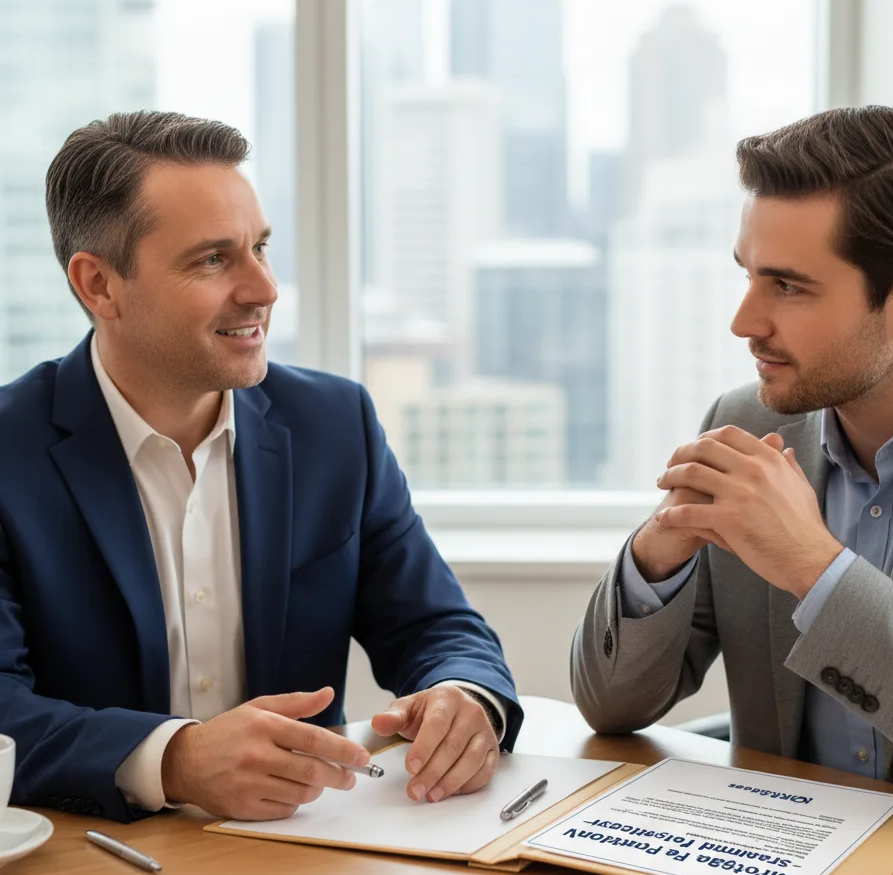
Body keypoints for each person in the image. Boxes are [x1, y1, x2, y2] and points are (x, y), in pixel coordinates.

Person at [0, 111, 521, 823]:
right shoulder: (10, 451)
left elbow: (437, 626)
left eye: (261, 248)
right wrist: (174, 760)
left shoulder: (335, 426)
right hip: (83, 870)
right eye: (213, 259)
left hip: (297, 869)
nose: (264, 289)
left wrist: (466, 696)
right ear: (99, 286)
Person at [572, 105, 893, 796]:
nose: (744, 322)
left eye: (787, 286)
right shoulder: (744, 423)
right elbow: (612, 706)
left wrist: (817, 569)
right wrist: (653, 559)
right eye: (748, 275)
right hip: (775, 872)